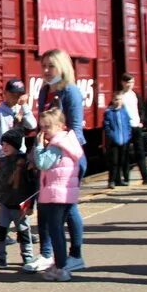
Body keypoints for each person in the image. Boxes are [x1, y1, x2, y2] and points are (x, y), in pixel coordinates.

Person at [25, 49, 86, 273]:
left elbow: (77, 130)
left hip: (67, 157)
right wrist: (36, 152)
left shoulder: (70, 92)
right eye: (44, 66)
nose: (46, 71)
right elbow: (43, 125)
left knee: (69, 209)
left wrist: (59, 153)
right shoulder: (45, 90)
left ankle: (76, 256)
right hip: (48, 155)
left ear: (62, 67)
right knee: (45, 206)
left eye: (51, 66)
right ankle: (47, 254)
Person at [34, 108, 84, 283]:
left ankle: (61, 268)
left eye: (48, 126)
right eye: (41, 127)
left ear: (61, 126)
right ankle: (61, 264)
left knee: (55, 231)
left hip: (56, 194)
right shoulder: (69, 141)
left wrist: (39, 145)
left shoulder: (56, 145)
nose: (44, 131)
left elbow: (42, 163)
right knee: (58, 230)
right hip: (65, 193)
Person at [0, 129, 36, 270]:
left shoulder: (25, 162)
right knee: (0, 231)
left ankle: (27, 256)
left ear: (16, 145)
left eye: (7, 144)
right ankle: (0, 258)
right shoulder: (1, 162)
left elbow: (32, 184)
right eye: (3, 144)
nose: (4, 147)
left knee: (23, 231)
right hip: (4, 204)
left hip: (20, 205)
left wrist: (31, 204)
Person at [0, 78, 37, 177]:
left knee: (20, 186)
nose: (16, 97)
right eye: (13, 94)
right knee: (5, 188)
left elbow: (32, 125)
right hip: (4, 157)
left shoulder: (21, 111)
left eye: (19, 95)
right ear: (5, 93)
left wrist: (25, 106)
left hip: (20, 155)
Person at [119, 73, 147, 185]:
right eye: (128, 82)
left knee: (140, 152)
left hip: (136, 127)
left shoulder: (135, 95)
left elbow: (141, 109)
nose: (130, 85)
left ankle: (146, 177)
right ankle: (125, 178)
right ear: (123, 83)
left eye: (132, 82)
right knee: (125, 153)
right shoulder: (120, 96)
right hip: (126, 128)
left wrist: (141, 121)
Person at [102, 91, 132, 188]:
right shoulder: (109, 112)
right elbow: (106, 126)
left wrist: (128, 135)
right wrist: (111, 136)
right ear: (112, 100)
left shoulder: (124, 111)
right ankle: (111, 181)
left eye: (119, 99)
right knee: (114, 162)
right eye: (116, 99)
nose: (118, 101)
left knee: (121, 161)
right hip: (114, 141)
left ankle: (119, 180)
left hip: (124, 140)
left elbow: (128, 124)